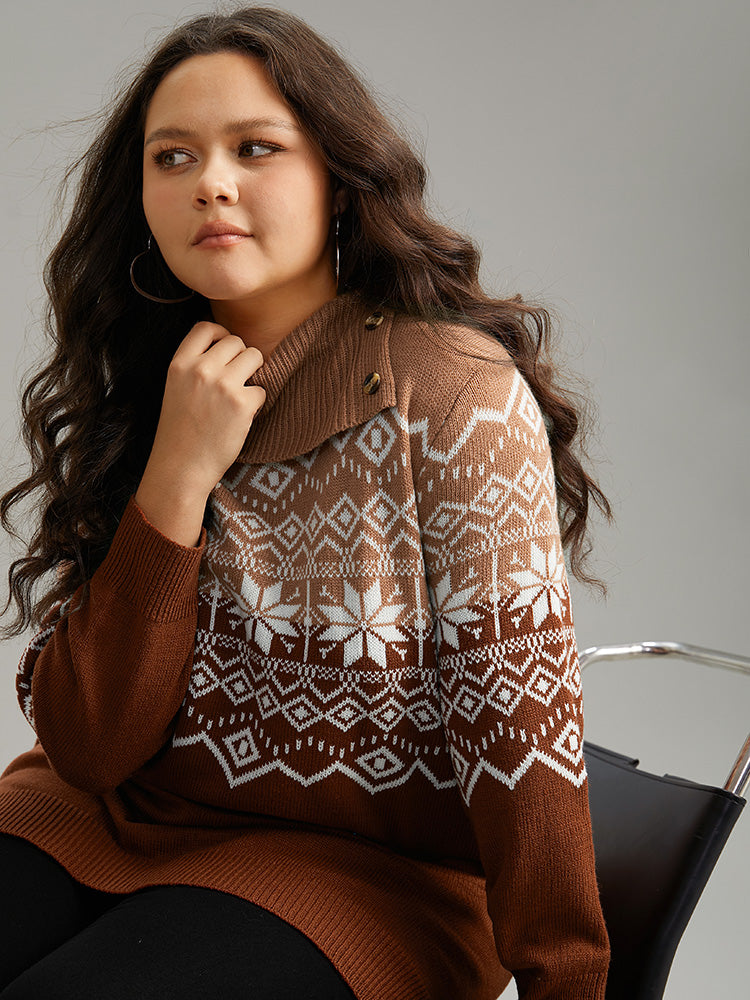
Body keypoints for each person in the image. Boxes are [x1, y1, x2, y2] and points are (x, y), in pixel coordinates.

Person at [0, 6, 612, 999]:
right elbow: (90, 743)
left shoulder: (449, 391)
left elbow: (521, 734)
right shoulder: (151, 377)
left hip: (362, 872)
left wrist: (570, 980)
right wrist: (175, 472)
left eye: (256, 148)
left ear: (338, 177)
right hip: (93, 816)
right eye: (172, 157)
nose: (211, 182)